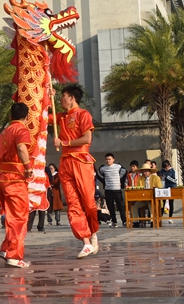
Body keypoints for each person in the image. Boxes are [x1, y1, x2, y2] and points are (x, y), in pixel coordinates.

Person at [50, 84, 99, 259]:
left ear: (71, 98)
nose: (60, 99)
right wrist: (48, 97)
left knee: (88, 202)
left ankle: (93, 232)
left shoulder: (83, 114)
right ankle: (86, 242)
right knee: (72, 203)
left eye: (62, 96)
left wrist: (64, 143)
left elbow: (87, 138)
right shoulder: (61, 117)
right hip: (65, 163)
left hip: (81, 160)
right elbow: (44, 116)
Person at [0, 103, 34, 268]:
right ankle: (14, 256)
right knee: (19, 218)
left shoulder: (4, 132)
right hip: (15, 179)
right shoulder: (21, 130)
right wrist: (28, 167)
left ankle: (6, 249)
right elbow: (21, 148)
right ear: (27, 117)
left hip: (2, 179)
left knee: (12, 218)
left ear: (11, 116)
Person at [97, 153, 127, 228]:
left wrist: (121, 180)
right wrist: (104, 181)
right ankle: (114, 221)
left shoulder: (118, 166)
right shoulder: (103, 168)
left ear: (113, 160)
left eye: (109, 159)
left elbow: (124, 172)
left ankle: (124, 221)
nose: (108, 161)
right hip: (108, 190)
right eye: (106, 159)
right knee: (111, 207)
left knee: (121, 206)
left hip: (117, 189)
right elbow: (98, 174)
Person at [158, 160, 178, 224]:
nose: (165, 169)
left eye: (166, 167)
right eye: (164, 168)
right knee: (162, 203)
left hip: (171, 188)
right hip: (164, 188)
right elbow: (159, 176)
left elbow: (175, 181)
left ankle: (170, 218)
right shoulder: (162, 170)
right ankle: (160, 218)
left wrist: (167, 177)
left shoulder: (173, 171)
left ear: (169, 165)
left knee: (171, 203)